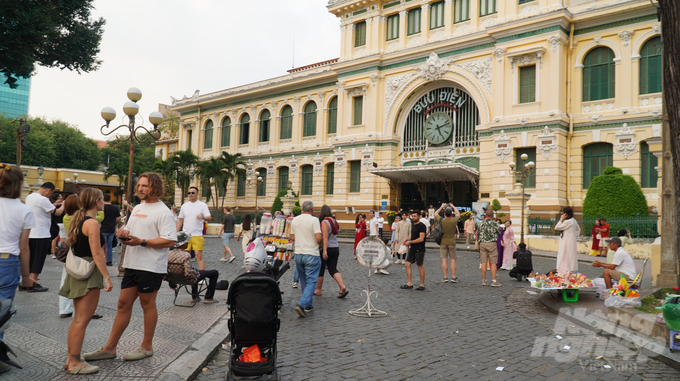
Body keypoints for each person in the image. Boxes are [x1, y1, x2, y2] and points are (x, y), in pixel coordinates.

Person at [83, 172, 176, 363]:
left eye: (145, 186)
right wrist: (122, 231)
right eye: (139, 185)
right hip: (132, 264)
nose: (140, 189)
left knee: (146, 304)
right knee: (122, 304)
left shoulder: (163, 211)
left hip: (151, 266)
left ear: (155, 188)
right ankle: (110, 348)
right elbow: (129, 229)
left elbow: (169, 240)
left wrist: (142, 242)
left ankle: (146, 347)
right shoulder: (139, 208)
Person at [59, 188, 113, 374]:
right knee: (83, 320)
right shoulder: (92, 223)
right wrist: (107, 277)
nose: (104, 203)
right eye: (102, 200)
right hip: (88, 273)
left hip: (76, 271)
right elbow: (97, 253)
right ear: (97, 201)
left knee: (77, 320)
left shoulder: (77, 218)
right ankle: (75, 363)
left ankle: (71, 358)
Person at [0, 164, 36, 374]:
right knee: (1, 313)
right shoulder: (24, 210)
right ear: (19, 184)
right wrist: (26, 276)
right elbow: (24, 248)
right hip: (7, 262)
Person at [23, 182, 64, 292]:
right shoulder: (43, 199)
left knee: (30, 260)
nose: (49, 195)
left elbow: (41, 208)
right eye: (51, 193)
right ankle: (33, 283)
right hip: (41, 233)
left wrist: (53, 204)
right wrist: (64, 204)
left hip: (30, 233)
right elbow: (58, 213)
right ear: (48, 190)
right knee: (38, 260)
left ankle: (25, 282)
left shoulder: (30, 197)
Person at [168, 231, 220, 303]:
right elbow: (188, 273)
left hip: (175, 279)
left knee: (194, 270)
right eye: (187, 242)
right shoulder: (186, 255)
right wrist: (195, 272)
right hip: (187, 278)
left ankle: (194, 297)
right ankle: (209, 297)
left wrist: (171, 282)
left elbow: (166, 270)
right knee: (214, 273)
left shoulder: (168, 254)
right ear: (183, 244)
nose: (188, 243)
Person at [290, 201, 322, 318]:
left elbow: (292, 237)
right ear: (312, 209)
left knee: (303, 280)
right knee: (312, 281)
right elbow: (318, 238)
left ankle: (309, 304)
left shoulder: (295, 220)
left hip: (299, 253)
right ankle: (302, 303)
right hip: (311, 253)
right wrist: (322, 240)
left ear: (302, 209)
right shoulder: (314, 220)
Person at [314, 205, 348, 298]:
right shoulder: (334, 221)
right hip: (335, 247)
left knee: (321, 269)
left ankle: (318, 290)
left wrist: (324, 250)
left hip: (327, 247)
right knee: (333, 268)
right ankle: (342, 286)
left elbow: (325, 236)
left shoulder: (325, 222)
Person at [177, 186, 211, 270]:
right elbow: (180, 220)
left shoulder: (202, 205)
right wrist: (176, 232)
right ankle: (187, 274)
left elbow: (209, 217)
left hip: (197, 234)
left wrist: (202, 217)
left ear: (197, 194)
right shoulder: (184, 206)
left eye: (193, 193)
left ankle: (202, 276)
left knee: (198, 255)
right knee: (185, 256)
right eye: (189, 193)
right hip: (186, 235)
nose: (190, 194)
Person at [401, 210, 427, 291]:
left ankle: (422, 285)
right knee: (407, 264)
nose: (413, 218)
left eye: (415, 216)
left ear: (419, 216)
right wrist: (407, 239)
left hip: (419, 249)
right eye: (412, 216)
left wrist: (410, 242)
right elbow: (414, 237)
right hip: (412, 248)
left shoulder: (422, 226)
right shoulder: (413, 225)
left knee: (420, 265)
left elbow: (421, 238)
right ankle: (409, 283)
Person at [434, 203, 461, 283]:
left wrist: (441, 207)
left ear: (444, 214)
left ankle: (445, 277)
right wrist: (453, 206)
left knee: (444, 260)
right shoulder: (454, 221)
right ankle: (453, 277)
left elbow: (435, 213)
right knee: (453, 260)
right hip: (452, 242)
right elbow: (458, 214)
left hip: (443, 242)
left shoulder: (442, 220)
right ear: (451, 214)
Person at [478, 210, 502, 287]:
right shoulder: (496, 224)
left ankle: (484, 280)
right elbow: (499, 232)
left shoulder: (480, 223)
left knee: (483, 262)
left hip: (482, 243)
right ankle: (494, 281)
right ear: (493, 216)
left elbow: (478, 231)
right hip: (492, 243)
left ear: (485, 215)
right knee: (493, 262)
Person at [555, 206, 580, 275]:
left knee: (565, 256)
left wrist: (561, 219)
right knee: (569, 256)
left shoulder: (568, 221)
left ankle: (564, 272)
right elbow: (578, 230)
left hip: (566, 243)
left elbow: (557, 227)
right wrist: (573, 236)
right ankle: (568, 271)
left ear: (566, 213)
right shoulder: (573, 220)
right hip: (571, 241)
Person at [101, 194, 121, 267]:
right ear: (110, 199)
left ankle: (102, 259)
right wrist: (115, 225)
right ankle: (109, 260)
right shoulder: (115, 208)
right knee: (109, 245)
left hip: (103, 228)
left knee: (101, 245)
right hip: (111, 228)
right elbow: (119, 218)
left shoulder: (102, 207)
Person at [50, 192, 64, 259]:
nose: (61, 198)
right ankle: (62, 253)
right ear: (58, 198)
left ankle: (54, 254)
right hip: (62, 223)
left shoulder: (52, 205)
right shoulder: (62, 205)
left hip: (55, 223)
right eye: (60, 197)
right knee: (62, 240)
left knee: (54, 240)